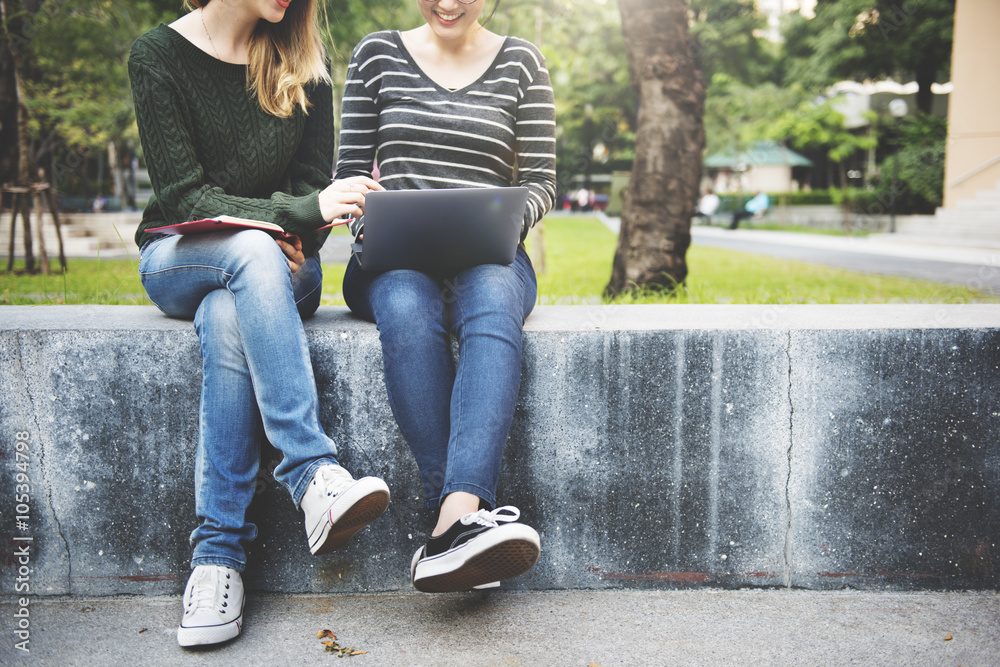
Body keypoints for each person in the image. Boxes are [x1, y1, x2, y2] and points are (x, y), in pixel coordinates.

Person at [128, 0, 388, 647]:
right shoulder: (157, 57)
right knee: (246, 253)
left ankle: (216, 559)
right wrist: (287, 216)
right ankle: (312, 471)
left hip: (283, 269)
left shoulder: (305, 64)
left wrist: (296, 219)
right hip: (179, 256)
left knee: (228, 311)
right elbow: (186, 198)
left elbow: (311, 217)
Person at [336, 0, 556, 593]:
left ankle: (452, 521)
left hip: (489, 255)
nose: (449, 3)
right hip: (393, 261)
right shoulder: (375, 55)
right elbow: (349, 175)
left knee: (491, 303)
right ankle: (460, 526)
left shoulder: (522, 62)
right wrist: (369, 228)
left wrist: (512, 223)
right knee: (407, 307)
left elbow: (542, 180)